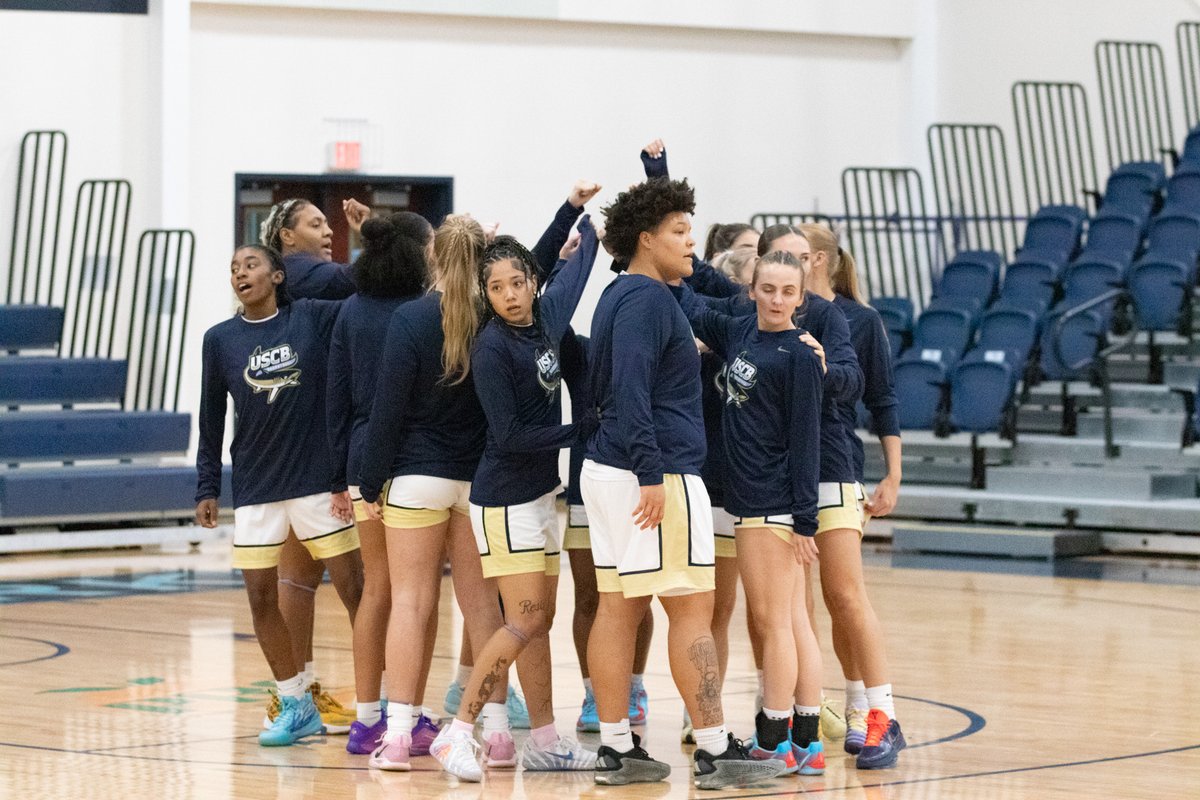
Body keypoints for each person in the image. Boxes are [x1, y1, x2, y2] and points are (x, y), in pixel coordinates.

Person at [582, 176, 785, 790]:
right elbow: (631, 390)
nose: (690, 240)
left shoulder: (620, 294)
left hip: (610, 468)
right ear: (646, 239)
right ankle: (718, 749)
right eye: (678, 231)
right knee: (692, 612)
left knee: (618, 609)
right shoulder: (647, 301)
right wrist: (650, 473)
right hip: (655, 474)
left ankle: (617, 748)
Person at [429, 221, 602, 781]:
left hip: (539, 496)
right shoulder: (491, 348)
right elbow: (507, 435)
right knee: (523, 617)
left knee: (540, 619)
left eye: (516, 283)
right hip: (503, 500)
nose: (507, 295)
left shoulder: (548, 321)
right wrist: (578, 432)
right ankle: (457, 735)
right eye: (496, 287)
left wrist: (589, 223)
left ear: (532, 282)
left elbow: (579, 271)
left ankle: (547, 740)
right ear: (487, 293)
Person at [356, 214, 513, 773]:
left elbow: (387, 411)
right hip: (479, 481)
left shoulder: (410, 318)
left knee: (411, 604)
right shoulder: (497, 318)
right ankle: (496, 736)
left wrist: (368, 481)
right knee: (482, 608)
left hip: (417, 480)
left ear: (433, 259)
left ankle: (398, 738)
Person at [195, 244, 363, 747]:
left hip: (317, 482)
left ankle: (380, 706)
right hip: (256, 487)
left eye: (250, 264)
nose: (239, 273)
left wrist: (361, 240)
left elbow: (363, 296)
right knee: (260, 597)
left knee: (358, 592)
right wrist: (207, 484)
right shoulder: (219, 339)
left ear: (276, 274)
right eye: (232, 268)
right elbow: (210, 417)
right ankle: (294, 700)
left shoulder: (311, 318)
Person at [671, 250, 826, 775]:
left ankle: (775, 737)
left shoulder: (799, 356)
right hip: (757, 502)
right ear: (753, 290)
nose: (777, 299)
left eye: (788, 292)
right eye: (769, 289)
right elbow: (687, 300)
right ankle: (807, 740)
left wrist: (806, 519)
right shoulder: (741, 332)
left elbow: (808, 440)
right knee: (795, 620)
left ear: (802, 298)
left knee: (773, 624)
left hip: (773, 505)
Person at [325, 212, 441, 756]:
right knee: (418, 595)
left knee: (379, 589)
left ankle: (366, 719)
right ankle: (409, 717)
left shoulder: (351, 310)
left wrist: (336, 477)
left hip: (358, 460)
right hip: (413, 459)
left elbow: (336, 399)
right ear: (419, 254)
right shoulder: (424, 313)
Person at [255, 196, 371, 735]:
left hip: (290, 445)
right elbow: (373, 279)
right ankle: (388, 704)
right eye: (315, 223)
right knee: (361, 588)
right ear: (285, 238)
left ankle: (295, 694)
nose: (327, 232)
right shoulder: (310, 274)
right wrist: (379, 236)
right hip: (321, 451)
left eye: (328, 224)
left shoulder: (294, 286)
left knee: (298, 579)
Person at [797, 223, 906, 769]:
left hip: (835, 469)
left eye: (793, 252)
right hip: (782, 477)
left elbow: (883, 400)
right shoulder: (776, 314)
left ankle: (876, 711)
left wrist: (893, 475)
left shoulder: (859, 321)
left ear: (817, 259)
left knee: (844, 595)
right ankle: (813, 709)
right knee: (799, 606)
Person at [260, 196, 371, 299]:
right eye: (316, 225)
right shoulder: (299, 270)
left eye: (326, 225)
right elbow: (365, 276)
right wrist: (370, 232)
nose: (329, 232)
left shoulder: (281, 272)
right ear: (287, 236)